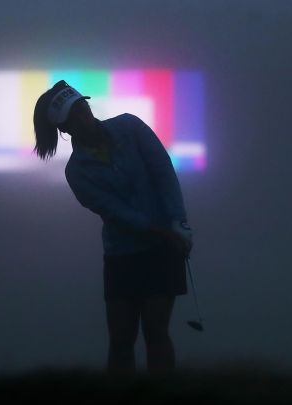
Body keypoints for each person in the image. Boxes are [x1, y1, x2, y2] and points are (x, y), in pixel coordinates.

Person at [33, 80, 194, 376]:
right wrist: (166, 231)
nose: (85, 117)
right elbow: (116, 213)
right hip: (123, 254)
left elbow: (163, 171)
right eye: (76, 115)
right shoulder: (77, 172)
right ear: (65, 129)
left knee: (155, 329)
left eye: (83, 108)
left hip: (162, 246)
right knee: (121, 338)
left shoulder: (130, 127)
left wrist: (178, 222)